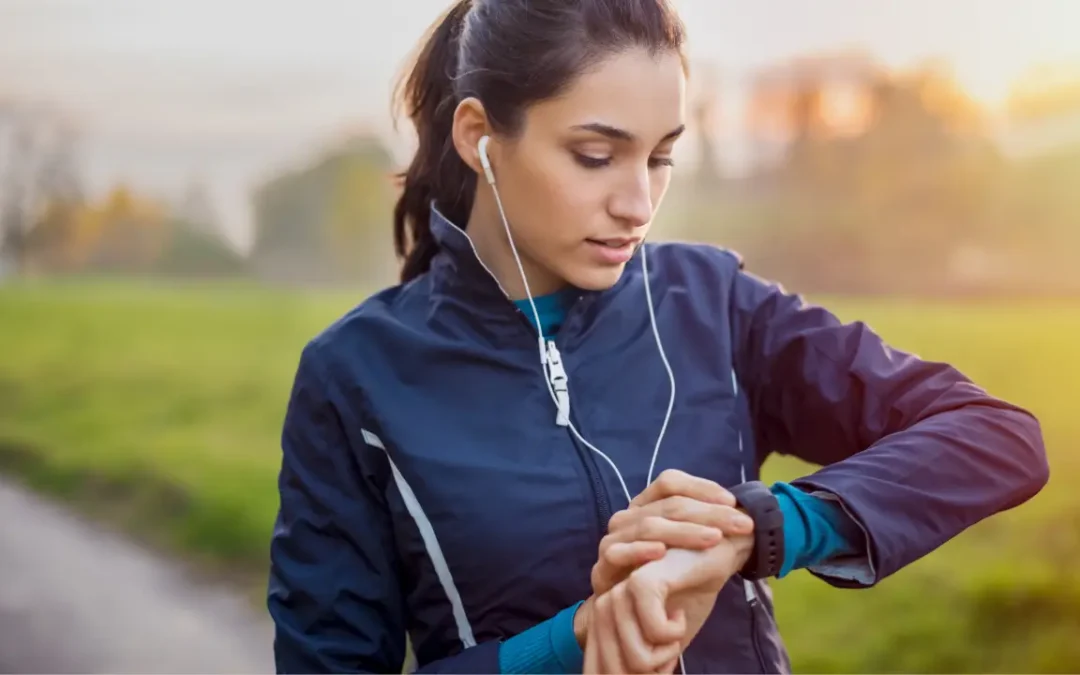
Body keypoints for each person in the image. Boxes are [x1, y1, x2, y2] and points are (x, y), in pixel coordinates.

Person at [266, 0, 1050, 672]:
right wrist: (573, 640)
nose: (639, 202)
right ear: (479, 136)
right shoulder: (356, 377)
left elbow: (994, 437)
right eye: (596, 156)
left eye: (663, 156)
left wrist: (757, 528)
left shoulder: (716, 305)